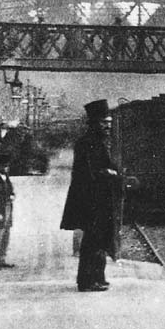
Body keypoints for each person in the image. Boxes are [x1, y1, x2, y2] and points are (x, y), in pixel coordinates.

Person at [60, 99, 123, 291]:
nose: (108, 126)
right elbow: (89, 172)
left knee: (100, 239)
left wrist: (112, 171)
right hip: (90, 200)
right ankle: (87, 281)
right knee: (92, 241)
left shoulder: (97, 142)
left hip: (99, 198)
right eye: (104, 123)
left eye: (110, 123)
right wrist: (109, 173)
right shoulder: (87, 143)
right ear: (95, 123)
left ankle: (97, 277)